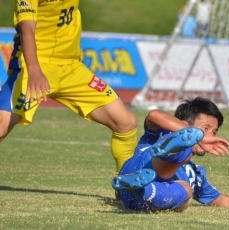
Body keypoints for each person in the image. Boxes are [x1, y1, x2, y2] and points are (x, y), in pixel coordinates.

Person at [0, 0, 137, 175]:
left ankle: (126, 186)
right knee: (1, 128)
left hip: (71, 67)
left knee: (125, 122)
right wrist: (35, 71)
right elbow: (27, 28)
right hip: (35, 66)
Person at [112, 97, 229, 212]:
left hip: (142, 199)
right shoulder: (157, 134)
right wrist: (195, 138)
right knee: (184, 148)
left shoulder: (196, 174)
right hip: (137, 165)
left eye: (214, 132)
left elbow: (224, 201)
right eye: (205, 129)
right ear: (183, 123)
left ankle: (141, 188)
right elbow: (153, 115)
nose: (210, 136)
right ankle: (175, 148)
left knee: (186, 190)